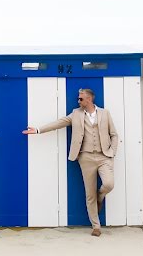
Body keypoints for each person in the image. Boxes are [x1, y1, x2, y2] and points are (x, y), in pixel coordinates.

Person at [23, 88, 118, 237]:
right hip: (85, 158)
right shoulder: (76, 114)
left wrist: (112, 152)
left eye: (81, 99)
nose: (78, 101)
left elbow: (114, 134)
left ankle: (101, 197)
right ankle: (96, 226)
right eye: (78, 98)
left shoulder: (105, 113)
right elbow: (58, 123)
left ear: (89, 99)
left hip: (104, 156)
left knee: (108, 184)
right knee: (89, 193)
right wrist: (37, 130)